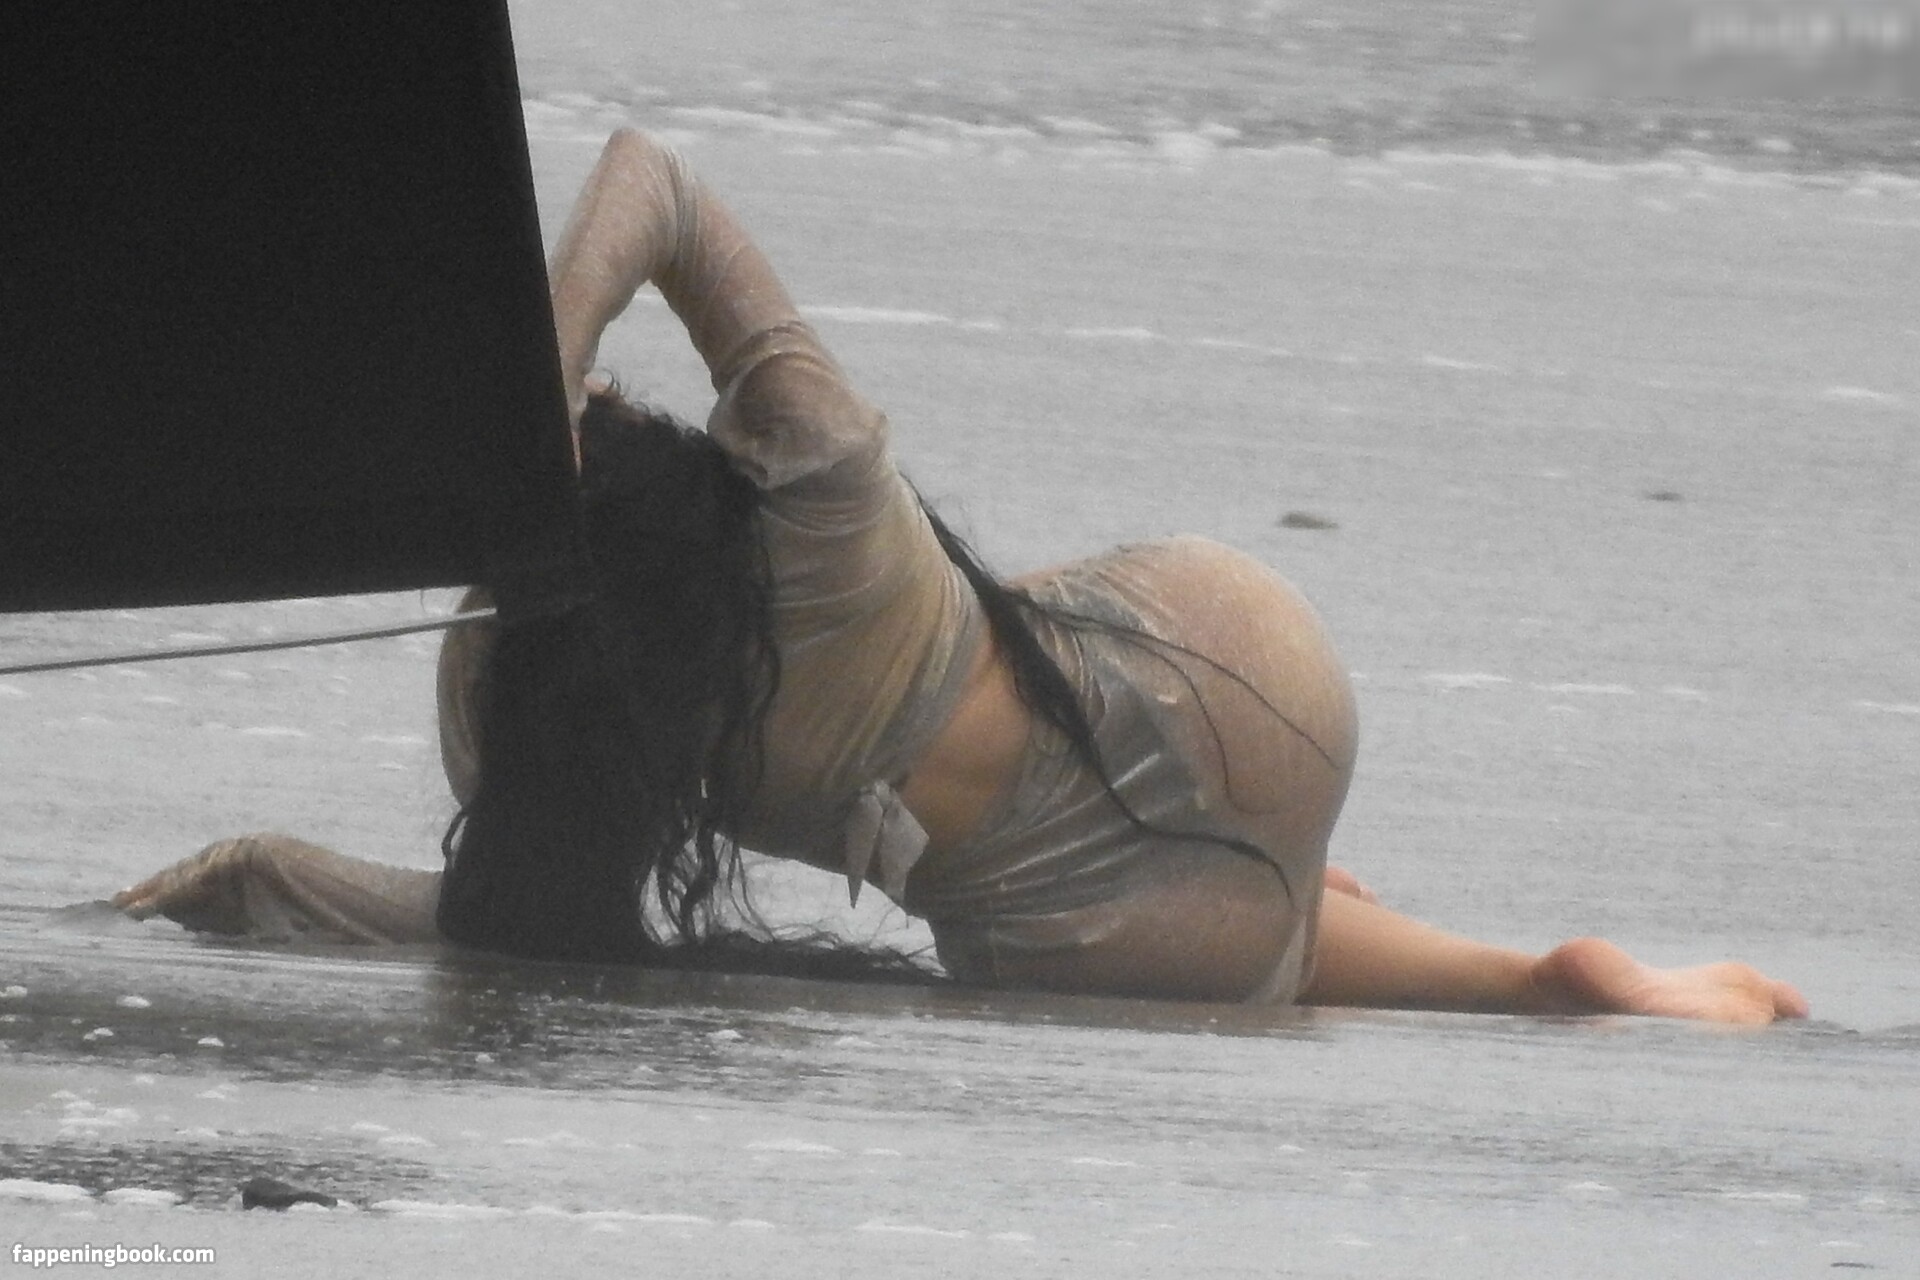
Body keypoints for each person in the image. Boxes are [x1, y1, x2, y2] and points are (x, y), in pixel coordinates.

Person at [113, 130, 1806, 1025]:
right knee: (1033, 646)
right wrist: (537, 386)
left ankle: (1432, 943)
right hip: (1230, 663)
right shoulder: (820, 501)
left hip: (1105, 931)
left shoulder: (614, 762)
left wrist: (270, 871)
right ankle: (1379, 898)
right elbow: (655, 180)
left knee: (1259, 956)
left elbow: (498, 924)